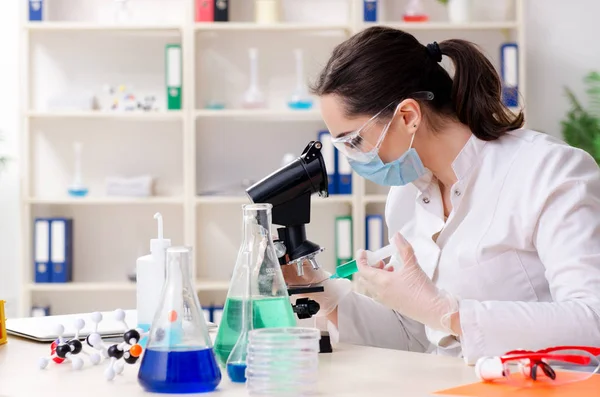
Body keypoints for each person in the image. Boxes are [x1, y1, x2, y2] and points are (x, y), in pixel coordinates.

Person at [282, 26, 600, 364]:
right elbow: (418, 339)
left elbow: (592, 322)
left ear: (408, 116)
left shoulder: (548, 171)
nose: (352, 158)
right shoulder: (406, 196)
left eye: (354, 141)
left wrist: (449, 313)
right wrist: (325, 292)